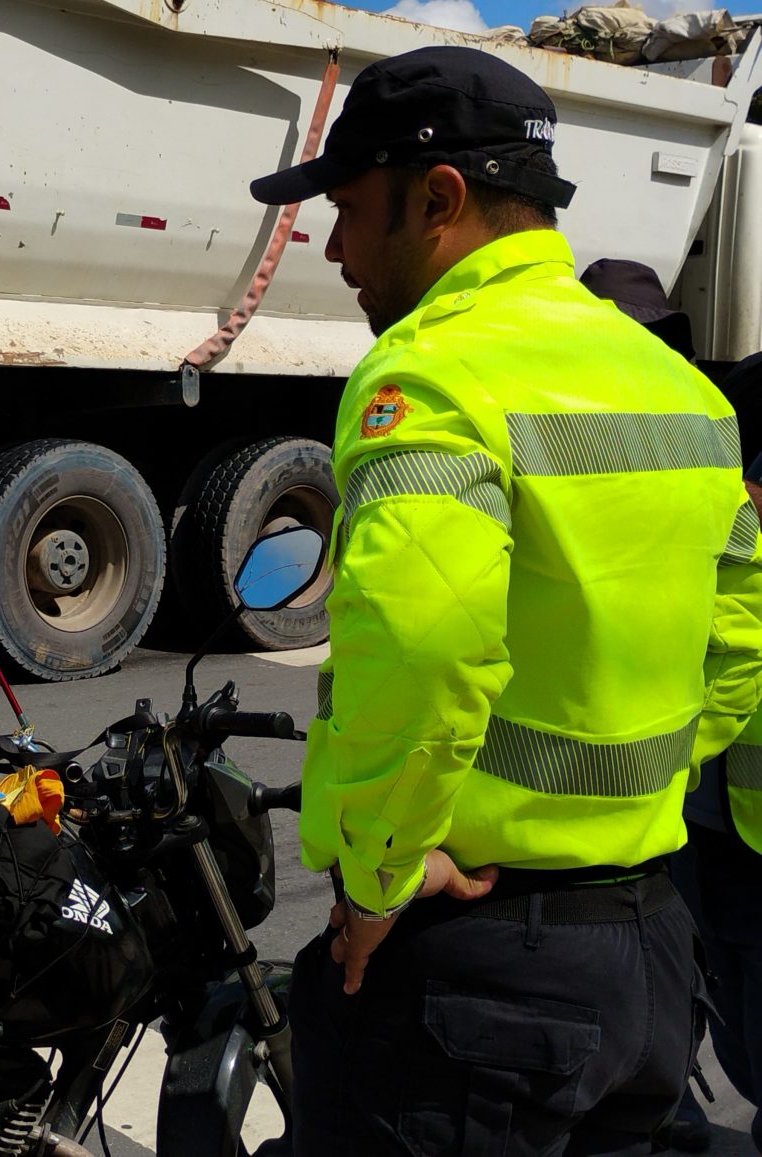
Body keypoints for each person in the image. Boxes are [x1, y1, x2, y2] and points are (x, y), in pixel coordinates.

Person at [249, 45, 762, 1154]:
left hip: (476, 976)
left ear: (437, 198)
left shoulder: (434, 374)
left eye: (344, 209)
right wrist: (627, 800)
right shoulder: (683, 390)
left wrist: (383, 870)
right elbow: (735, 644)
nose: (332, 247)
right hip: (651, 954)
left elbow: (423, 640)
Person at [581, 256, 762, 1152]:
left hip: (696, 794)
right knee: (701, 1009)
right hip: (691, 803)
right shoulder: (714, 427)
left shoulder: (703, 425)